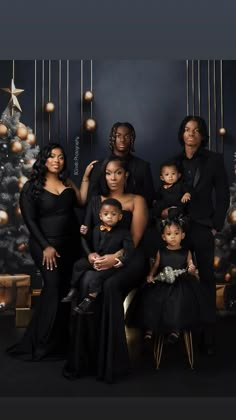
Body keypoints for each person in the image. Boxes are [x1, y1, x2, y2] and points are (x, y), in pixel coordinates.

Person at [7, 143, 97, 361]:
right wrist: (46, 246)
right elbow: (29, 220)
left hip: (71, 244)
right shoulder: (31, 186)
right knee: (54, 288)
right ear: (44, 160)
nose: (57, 161)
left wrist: (85, 175)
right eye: (52, 157)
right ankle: (40, 342)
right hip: (45, 246)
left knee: (67, 289)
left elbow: (82, 201)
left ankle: (60, 341)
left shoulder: (66, 181)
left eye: (61, 157)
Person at [63, 156, 148, 383]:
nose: (113, 178)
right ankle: (84, 360)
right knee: (86, 280)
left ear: (126, 175)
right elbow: (87, 235)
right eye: (108, 173)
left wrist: (114, 258)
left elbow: (135, 241)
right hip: (100, 257)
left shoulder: (136, 200)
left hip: (129, 258)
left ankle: (112, 364)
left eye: (118, 173)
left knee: (109, 285)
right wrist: (91, 255)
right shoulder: (95, 201)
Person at [174, 115, 230, 355]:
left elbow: (223, 194)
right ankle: (178, 328)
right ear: (182, 134)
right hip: (177, 229)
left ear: (202, 135)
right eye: (187, 130)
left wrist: (215, 224)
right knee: (178, 276)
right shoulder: (173, 162)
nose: (191, 134)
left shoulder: (214, 160)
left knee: (207, 278)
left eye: (196, 130)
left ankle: (207, 335)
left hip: (203, 226)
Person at [125, 218, 210, 346]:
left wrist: (192, 269)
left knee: (177, 302)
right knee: (152, 300)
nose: (173, 237)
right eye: (169, 234)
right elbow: (155, 265)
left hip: (181, 283)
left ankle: (176, 330)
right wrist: (150, 275)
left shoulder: (186, 252)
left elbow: (191, 266)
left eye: (176, 233)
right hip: (163, 281)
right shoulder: (161, 251)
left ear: (183, 235)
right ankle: (150, 329)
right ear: (164, 237)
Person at [61, 197, 134, 315]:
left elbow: (129, 250)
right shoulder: (96, 229)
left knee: (97, 278)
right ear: (100, 216)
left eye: (113, 214)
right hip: (97, 259)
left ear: (120, 216)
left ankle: (89, 301)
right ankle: (73, 289)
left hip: (111, 265)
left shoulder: (124, 232)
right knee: (78, 265)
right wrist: (85, 234)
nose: (109, 216)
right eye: (106, 214)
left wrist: (119, 261)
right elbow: (88, 242)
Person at [86, 122, 155, 208]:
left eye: (127, 136)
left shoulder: (143, 166)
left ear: (132, 139)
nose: (122, 140)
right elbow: (92, 201)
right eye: (118, 136)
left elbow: (149, 199)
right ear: (112, 138)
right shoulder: (99, 166)